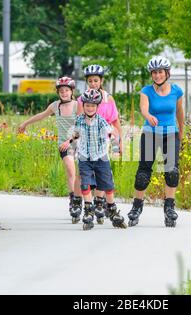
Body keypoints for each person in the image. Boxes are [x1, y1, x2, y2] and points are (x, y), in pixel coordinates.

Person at [127, 56, 184, 228]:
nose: (157, 75)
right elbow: (143, 108)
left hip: (171, 133)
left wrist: (181, 132)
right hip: (150, 133)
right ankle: (137, 206)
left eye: (160, 72)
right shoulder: (146, 91)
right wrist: (148, 116)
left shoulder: (176, 91)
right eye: (154, 72)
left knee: (172, 171)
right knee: (143, 173)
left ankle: (169, 208)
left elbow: (180, 112)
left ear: (167, 73)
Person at [18, 77, 81, 223]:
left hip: (79, 142)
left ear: (72, 91)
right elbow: (41, 115)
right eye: (61, 91)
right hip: (65, 145)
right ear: (58, 92)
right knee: (71, 171)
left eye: (66, 90)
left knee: (83, 175)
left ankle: (88, 200)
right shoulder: (55, 106)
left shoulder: (78, 106)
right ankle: (74, 201)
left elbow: (81, 127)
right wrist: (25, 123)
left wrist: (69, 140)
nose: (64, 93)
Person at [62, 89, 127, 231]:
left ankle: (112, 209)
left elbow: (110, 133)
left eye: (93, 106)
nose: (90, 108)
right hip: (85, 157)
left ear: (97, 107)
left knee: (107, 185)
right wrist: (69, 143)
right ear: (83, 106)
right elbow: (76, 134)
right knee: (85, 184)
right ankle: (88, 210)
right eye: (87, 105)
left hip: (101, 157)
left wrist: (117, 147)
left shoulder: (101, 121)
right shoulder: (79, 120)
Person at [75, 65, 123, 221]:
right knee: (86, 176)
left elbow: (115, 122)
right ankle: (82, 203)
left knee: (103, 176)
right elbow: (79, 122)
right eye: (90, 81)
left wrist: (119, 142)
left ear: (101, 81)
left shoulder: (109, 99)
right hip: (87, 144)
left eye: (96, 80)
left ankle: (100, 203)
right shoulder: (83, 99)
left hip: (104, 143)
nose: (93, 83)